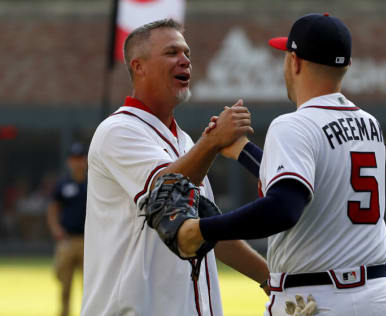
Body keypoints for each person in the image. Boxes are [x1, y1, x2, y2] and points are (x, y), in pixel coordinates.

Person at [178, 13, 386, 315]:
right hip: (379, 297)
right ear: (346, 66)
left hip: (318, 298)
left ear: (294, 61)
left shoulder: (293, 125)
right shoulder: (370, 125)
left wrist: (203, 229)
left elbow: (284, 208)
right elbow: (312, 187)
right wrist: (244, 152)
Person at [81, 19, 269, 316]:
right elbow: (163, 191)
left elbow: (207, 231)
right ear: (139, 66)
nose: (185, 60)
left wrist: (271, 280)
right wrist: (212, 143)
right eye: (171, 52)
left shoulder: (184, 142)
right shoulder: (118, 131)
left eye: (187, 54)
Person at [47, 142, 88, 316]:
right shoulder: (63, 184)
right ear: (69, 161)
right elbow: (53, 208)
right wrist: (56, 229)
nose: (77, 163)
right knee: (64, 284)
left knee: (90, 285)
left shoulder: (93, 182)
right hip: (68, 239)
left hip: (89, 241)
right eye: (74, 159)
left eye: (80, 159)